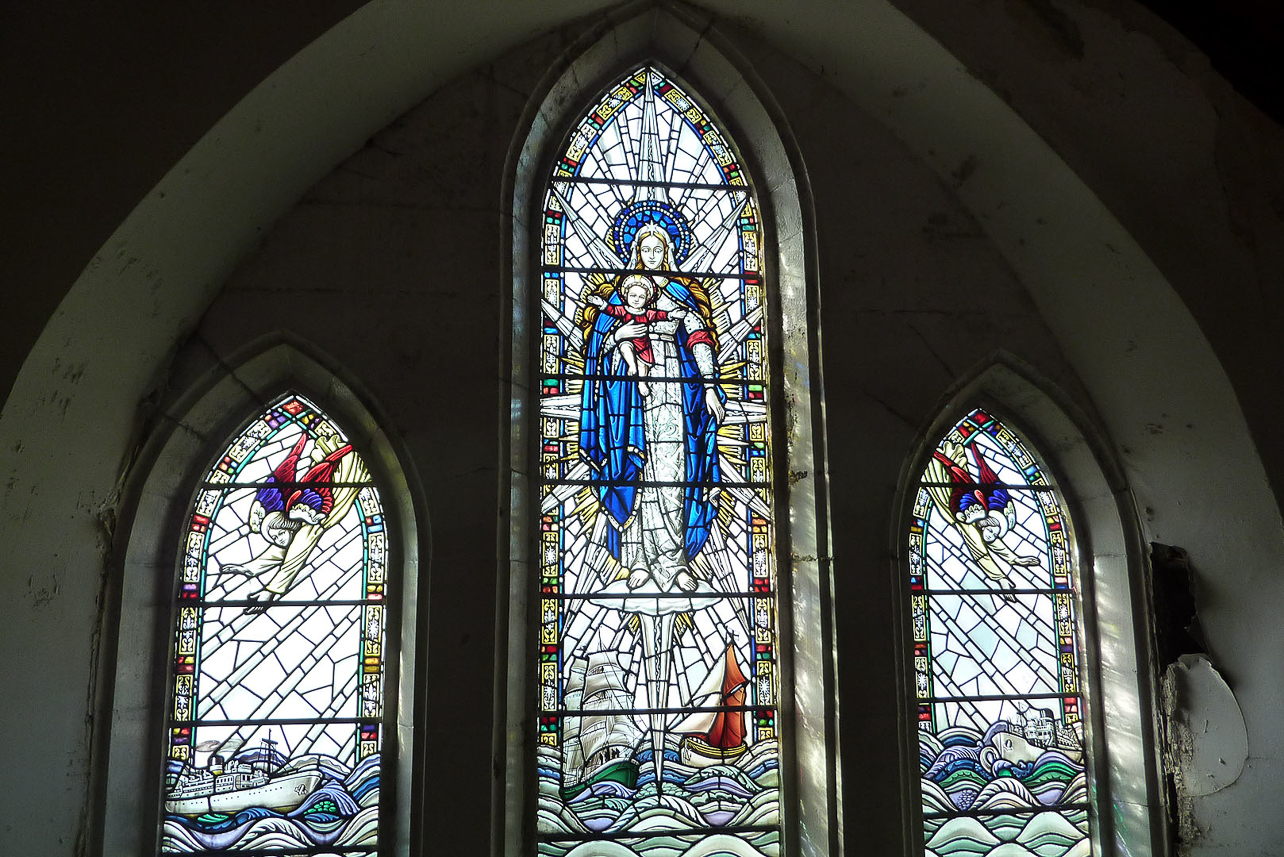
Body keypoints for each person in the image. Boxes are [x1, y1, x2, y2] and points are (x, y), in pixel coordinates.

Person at [579, 223, 726, 593]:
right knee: (637, 473)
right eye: (645, 252)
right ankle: (638, 560)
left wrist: (709, 386)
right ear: (637, 254)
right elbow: (601, 340)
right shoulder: (624, 297)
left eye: (658, 251)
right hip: (629, 403)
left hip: (674, 396)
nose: (652, 258)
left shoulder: (678, 295)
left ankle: (674, 562)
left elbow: (698, 339)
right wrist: (617, 337)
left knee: (673, 474)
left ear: (668, 253)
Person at [222, 428, 369, 614]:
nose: (278, 540)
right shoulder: (294, 524)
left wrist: (271, 591)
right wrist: (248, 568)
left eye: (277, 534)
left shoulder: (307, 522)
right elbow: (279, 551)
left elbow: (295, 555)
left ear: (283, 524)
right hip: (340, 467)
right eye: (275, 538)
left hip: (347, 469)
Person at [586, 273, 687, 396]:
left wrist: (672, 315)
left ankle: (642, 382)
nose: (636, 299)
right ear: (625, 295)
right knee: (625, 347)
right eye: (633, 295)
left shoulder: (647, 313)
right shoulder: (623, 310)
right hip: (629, 341)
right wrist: (602, 304)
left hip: (644, 345)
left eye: (641, 297)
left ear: (647, 299)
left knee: (644, 365)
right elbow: (611, 310)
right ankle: (632, 366)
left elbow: (660, 315)